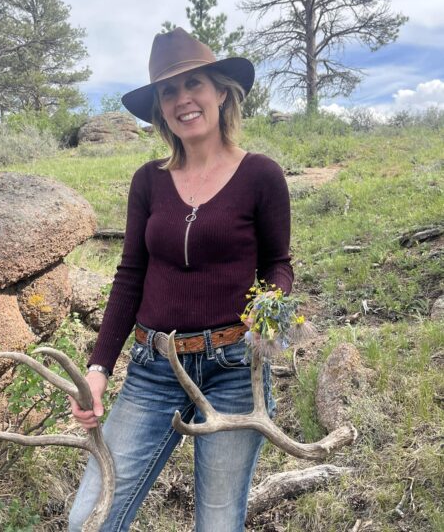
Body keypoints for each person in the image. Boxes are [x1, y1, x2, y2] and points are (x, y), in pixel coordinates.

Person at [68, 27, 293, 532]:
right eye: (168, 91)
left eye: (193, 83)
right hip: (153, 367)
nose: (182, 99)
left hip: (234, 368)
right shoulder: (148, 180)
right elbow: (130, 276)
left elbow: (279, 263)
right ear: (159, 108)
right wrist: (99, 367)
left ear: (220, 91)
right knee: (89, 520)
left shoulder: (261, 175)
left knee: (217, 524)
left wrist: (271, 306)